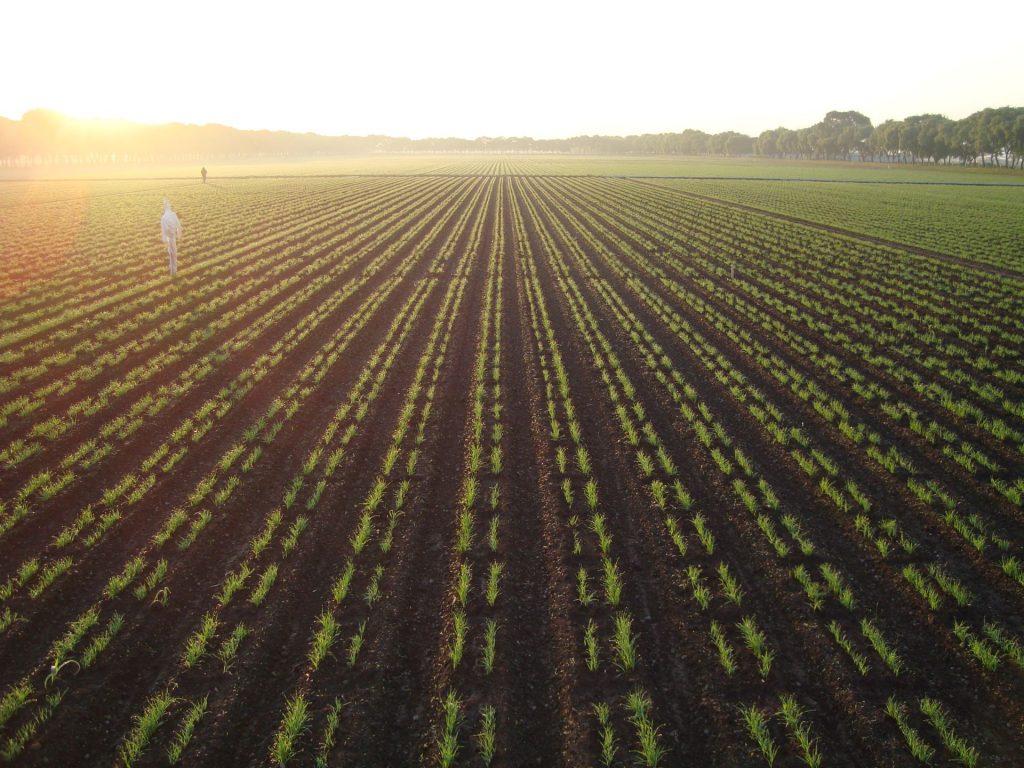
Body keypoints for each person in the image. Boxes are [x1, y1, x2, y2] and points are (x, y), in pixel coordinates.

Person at [160, 198, 182, 277]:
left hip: (170, 237)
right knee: (174, 253)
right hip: (173, 237)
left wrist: (165, 239)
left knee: (171, 254)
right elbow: (179, 225)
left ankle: (173, 272)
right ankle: (174, 270)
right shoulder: (173, 214)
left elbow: (164, 230)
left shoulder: (163, 218)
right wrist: (178, 235)